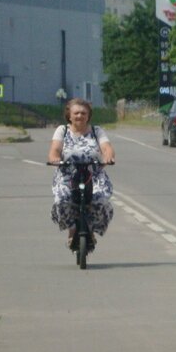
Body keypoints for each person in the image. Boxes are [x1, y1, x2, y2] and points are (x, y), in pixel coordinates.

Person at [48, 98, 115, 250]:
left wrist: (108, 157)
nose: (80, 116)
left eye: (83, 113)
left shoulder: (97, 131)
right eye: (76, 113)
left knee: (100, 200)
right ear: (69, 115)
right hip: (68, 175)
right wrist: (55, 159)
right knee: (63, 199)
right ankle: (72, 229)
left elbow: (107, 148)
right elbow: (55, 150)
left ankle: (90, 230)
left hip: (93, 174)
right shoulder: (62, 130)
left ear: (89, 115)